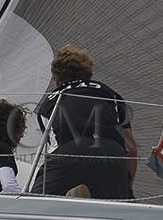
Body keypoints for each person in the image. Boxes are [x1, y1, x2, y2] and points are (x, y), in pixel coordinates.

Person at [34, 46, 137, 199]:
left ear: (56, 78)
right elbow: (132, 149)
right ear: (89, 74)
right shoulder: (111, 94)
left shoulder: (50, 102)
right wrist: (126, 184)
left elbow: (54, 147)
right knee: (119, 209)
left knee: (35, 204)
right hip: (111, 153)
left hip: (69, 152)